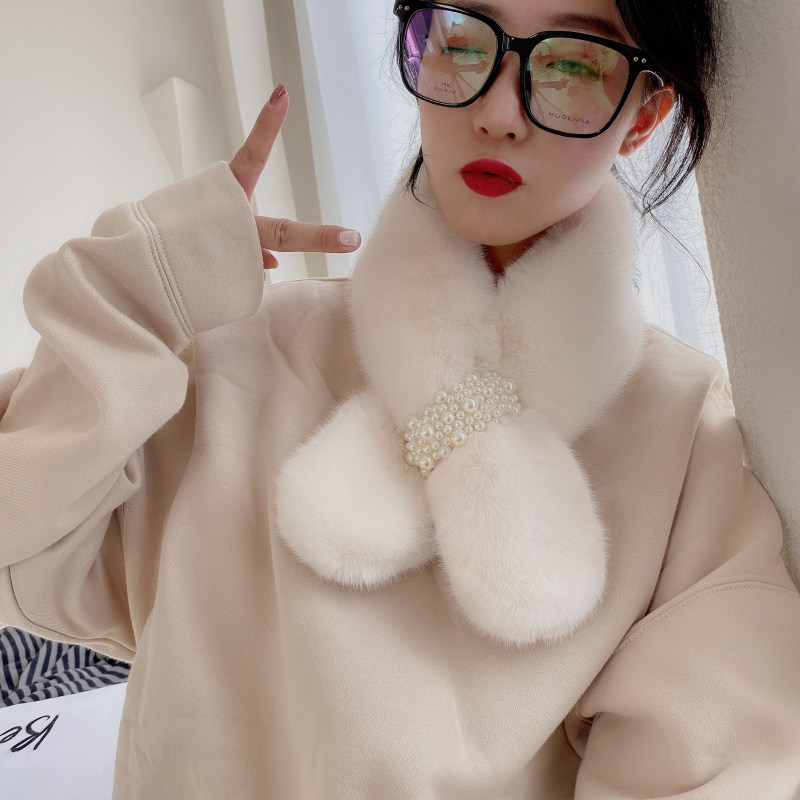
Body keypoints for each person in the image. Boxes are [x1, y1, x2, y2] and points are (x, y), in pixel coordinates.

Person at [1, 0, 799, 796]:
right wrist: (133, 292)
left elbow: (721, 769)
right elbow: (21, 553)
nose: (497, 113)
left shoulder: (684, 438)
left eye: (570, 63)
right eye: (462, 37)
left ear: (643, 117)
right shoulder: (234, 359)